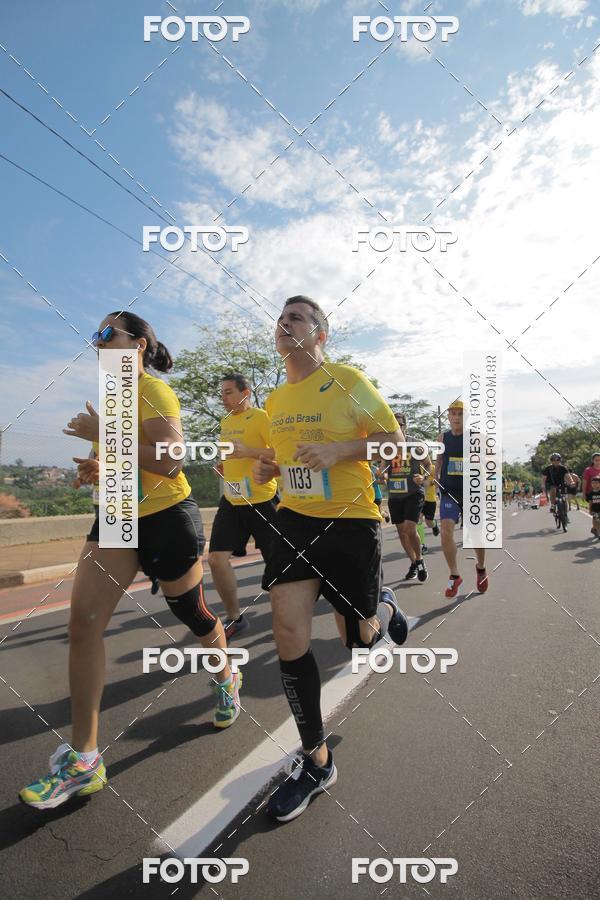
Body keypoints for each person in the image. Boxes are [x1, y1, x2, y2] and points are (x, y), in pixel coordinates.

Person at [20, 313, 241, 810]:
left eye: (106, 334)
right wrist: (96, 467)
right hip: (118, 517)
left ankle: (225, 676)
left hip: (166, 518)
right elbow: (123, 464)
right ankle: (85, 760)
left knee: (192, 614)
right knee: (82, 626)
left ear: (137, 345)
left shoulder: (154, 393)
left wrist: (104, 431)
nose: (96, 341)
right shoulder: (112, 400)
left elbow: (168, 460)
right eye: (94, 335)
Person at [253, 295, 409, 823]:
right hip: (294, 520)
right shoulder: (274, 400)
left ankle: (383, 609)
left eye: (296, 317)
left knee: (360, 639)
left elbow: (395, 445)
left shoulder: (347, 379)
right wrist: (270, 469)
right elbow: (282, 455)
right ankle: (317, 760)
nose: (284, 323)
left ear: (321, 334)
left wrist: (341, 451)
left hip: (350, 518)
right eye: (281, 317)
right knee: (287, 630)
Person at [208, 373, 279, 638]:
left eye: (228, 392)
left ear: (245, 393)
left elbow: (280, 451)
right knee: (216, 560)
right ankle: (235, 617)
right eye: (222, 393)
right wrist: (225, 466)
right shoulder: (226, 422)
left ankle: (286, 613)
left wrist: (248, 452)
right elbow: (233, 455)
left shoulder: (260, 417)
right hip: (232, 498)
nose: (223, 398)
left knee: (274, 562)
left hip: (262, 500)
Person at [434, 400, 488, 599]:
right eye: (453, 413)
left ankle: (481, 568)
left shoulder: (476, 437)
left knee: (475, 534)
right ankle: (455, 574)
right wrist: (435, 480)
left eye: (460, 413)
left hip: (472, 491)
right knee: (446, 532)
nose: (456, 417)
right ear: (448, 416)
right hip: (449, 491)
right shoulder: (442, 438)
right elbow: (438, 461)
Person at [386, 412, 430, 582]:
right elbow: (383, 467)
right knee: (402, 532)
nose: (397, 428)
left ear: (406, 426)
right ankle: (414, 562)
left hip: (413, 492)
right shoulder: (387, 447)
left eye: (400, 425)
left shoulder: (416, 444)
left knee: (410, 529)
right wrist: (382, 475)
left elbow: (427, 465)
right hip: (395, 494)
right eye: (394, 425)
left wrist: (423, 477)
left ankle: (419, 561)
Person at [582, 454, 600, 531]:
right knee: (596, 512)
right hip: (592, 494)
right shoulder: (588, 470)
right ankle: (596, 528)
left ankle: (595, 527)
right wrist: (583, 493)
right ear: (593, 461)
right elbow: (584, 482)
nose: (598, 462)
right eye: (596, 460)